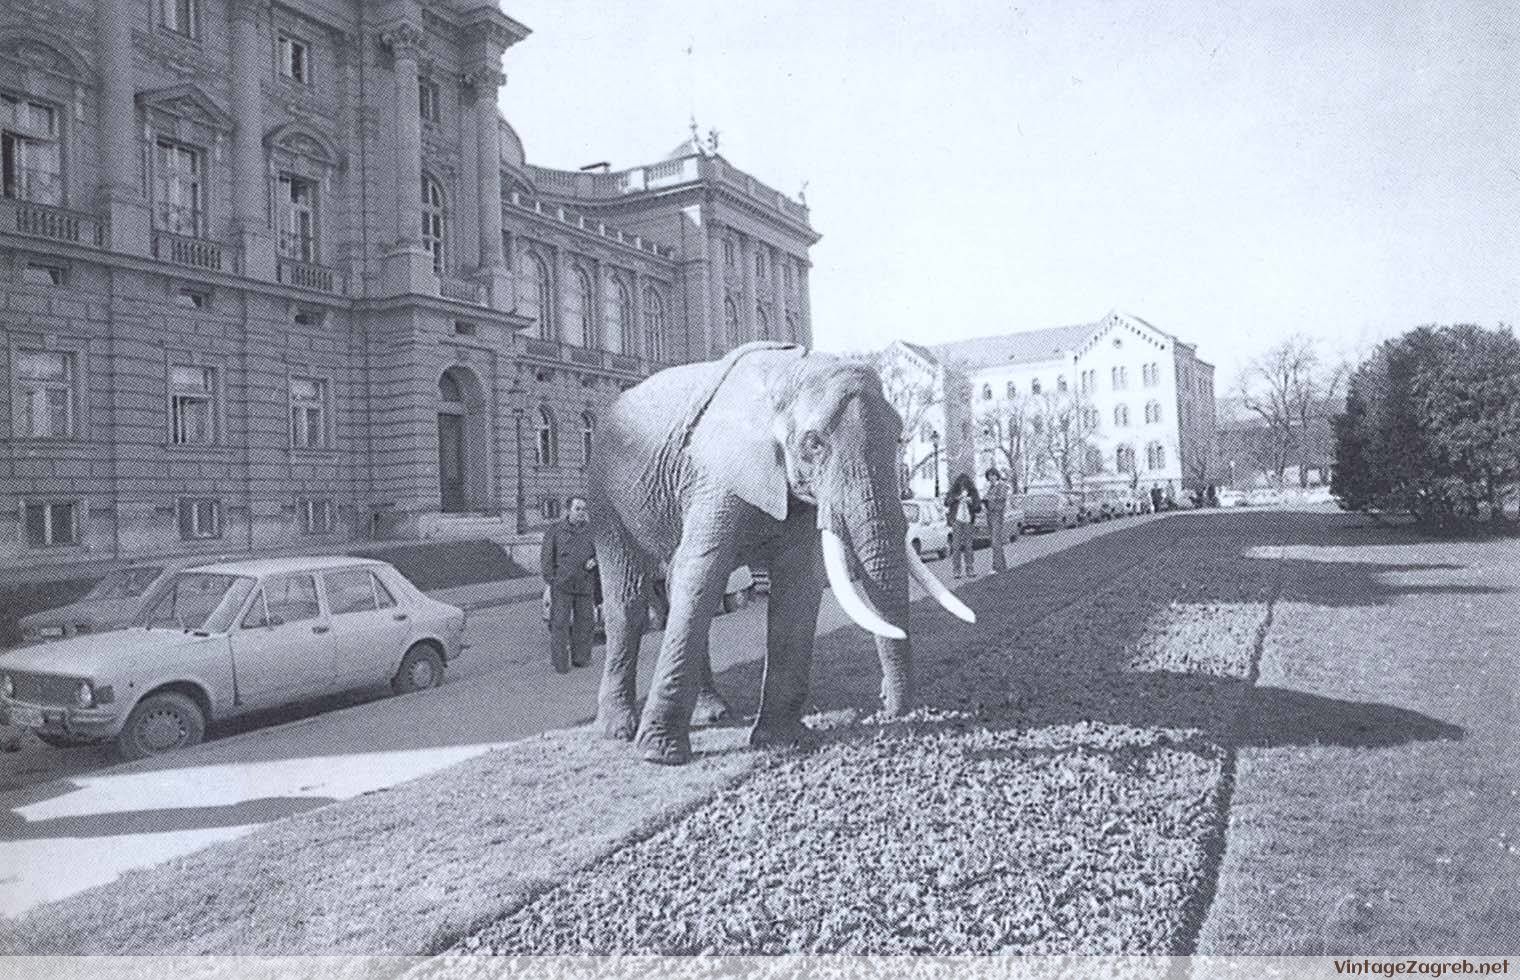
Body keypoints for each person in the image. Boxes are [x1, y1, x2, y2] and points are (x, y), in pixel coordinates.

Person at [540, 496, 598, 673]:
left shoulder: (590, 531)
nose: (581, 513)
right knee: (560, 624)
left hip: (584, 584)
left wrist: (594, 561)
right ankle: (560, 663)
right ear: (568, 510)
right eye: (577, 509)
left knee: (585, 623)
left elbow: (600, 553)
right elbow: (546, 558)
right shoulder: (556, 530)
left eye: (583, 509)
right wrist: (552, 580)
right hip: (562, 585)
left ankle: (581, 658)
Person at [944, 473, 981, 579]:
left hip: (968, 520)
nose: (963, 487)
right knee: (956, 546)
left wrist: (971, 502)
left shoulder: (973, 492)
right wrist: (957, 498)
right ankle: (957, 570)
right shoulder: (953, 492)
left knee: (969, 545)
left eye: (965, 485)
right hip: (957, 520)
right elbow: (946, 502)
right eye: (961, 485)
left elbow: (978, 508)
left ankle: (970, 568)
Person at [983, 467, 1010, 573]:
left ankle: (996, 567)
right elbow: (988, 498)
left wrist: (989, 499)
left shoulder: (1001, 486)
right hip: (990, 514)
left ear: (996, 475)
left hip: (997, 515)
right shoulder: (990, 487)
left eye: (993, 475)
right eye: (989, 476)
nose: (991, 478)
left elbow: (1002, 499)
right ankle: (1002, 566)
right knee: (995, 541)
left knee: (995, 541)